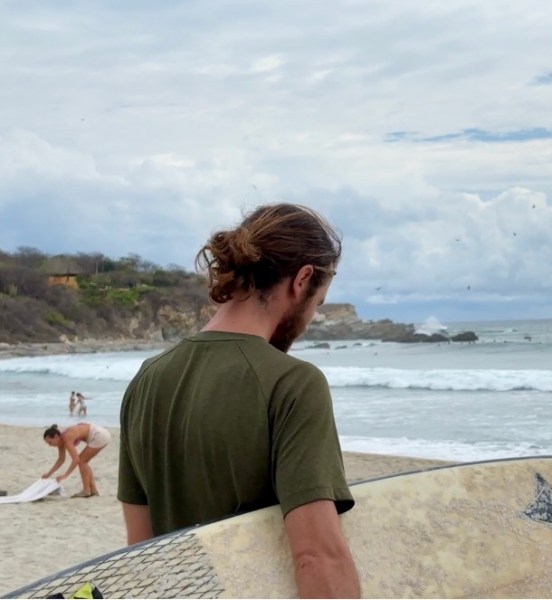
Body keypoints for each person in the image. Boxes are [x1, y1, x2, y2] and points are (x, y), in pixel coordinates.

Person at [117, 203, 360, 598]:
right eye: (317, 304)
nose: (311, 318)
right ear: (302, 280)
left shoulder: (146, 379)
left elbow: (141, 553)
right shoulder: (293, 383)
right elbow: (317, 557)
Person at [41, 422, 112, 497]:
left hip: (99, 435)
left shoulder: (66, 437)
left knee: (81, 461)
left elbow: (76, 460)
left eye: (50, 442)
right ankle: (93, 490)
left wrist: (65, 475)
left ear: (56, 437)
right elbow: (61, 459)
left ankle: (86, 490)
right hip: (100, 435)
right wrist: (48, 474)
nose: (49, 445)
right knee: (83, 462)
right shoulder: (60, 440)